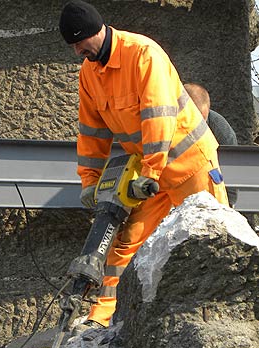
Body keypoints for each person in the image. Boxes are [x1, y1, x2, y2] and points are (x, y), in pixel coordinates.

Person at [59, 0, 229, 330]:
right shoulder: (89, 73)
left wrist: (150, 172)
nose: (78, 50)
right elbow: (91, 132)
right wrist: (89, 181)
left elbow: (158, 116)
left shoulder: (142, 54)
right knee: (123, 241)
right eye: (73, 46)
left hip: (190, 164)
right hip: (150, 175)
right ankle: (103, 316)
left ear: (96, 31)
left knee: (212, 235)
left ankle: (218, 314)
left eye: (80, 43)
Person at [184, 83, 238, 207]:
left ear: (206, 112)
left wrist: (229, 206)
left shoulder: (220, 129)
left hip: (210, 193)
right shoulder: (165, 122)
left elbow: (232, 173)